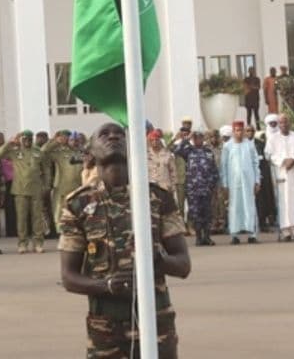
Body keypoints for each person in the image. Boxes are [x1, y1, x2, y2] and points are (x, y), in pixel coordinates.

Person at [59, 122, 191, 357]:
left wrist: (159, 260)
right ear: (91, 151)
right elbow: (69, 277)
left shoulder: (157, 197)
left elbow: (183, 265)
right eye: (104, 134)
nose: (113, 137)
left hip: (156, 321)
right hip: (106, 327)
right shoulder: (78, 204)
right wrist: (107, 286)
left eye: (120, 134)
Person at [0, 130, 51, 254]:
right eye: (25, 139)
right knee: (21, 219)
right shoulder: (15, 151)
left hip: (36, 189)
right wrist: (9, 142)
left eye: (29, 139)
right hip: (20, 189)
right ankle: (22, 243)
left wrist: (47, 186)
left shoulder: (38, 152)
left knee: (37, 218)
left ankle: (38, 243)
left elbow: (46, 170)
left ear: (32, 139)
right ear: (21, 140)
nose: (27, 141)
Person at [266, 114, 294, 241]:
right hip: (281, 173)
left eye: (286, 122)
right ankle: (285, 231)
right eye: (281, 122)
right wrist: (283, 161)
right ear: (279, 124)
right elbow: (269, 154)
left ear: (290, 123)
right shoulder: (273, 138)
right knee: (283, 201)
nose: (284, 125)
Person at [220, 125, 260, 244]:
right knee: (234, 207)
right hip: (233, 183)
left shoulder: (249, 145)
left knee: (250, 206)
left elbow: (255, 163)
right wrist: (225, 184)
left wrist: (257, 181)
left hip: (249, 182)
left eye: (241, 130)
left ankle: (252, 234)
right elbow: (223, 166)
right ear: (233, 132)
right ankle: (234, 235)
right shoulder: (227, 146)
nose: (239, 133)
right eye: (237, 130)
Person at [178, 130, 219, 246]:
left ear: (203, 139)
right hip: (193, 189)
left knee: (207, 213)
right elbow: (177, 150)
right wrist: (186, 139)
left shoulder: (208, 152)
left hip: (206, 188)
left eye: (200, 137)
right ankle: (199, 237)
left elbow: (214, 170)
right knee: (195, 214)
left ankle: (207, 237)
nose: (198, 140)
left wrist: (212, 184)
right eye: (195, 138)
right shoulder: (189, 151)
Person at [44, 130, 82, 236]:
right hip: (62, 186)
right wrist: (55, 141)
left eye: (77, 140)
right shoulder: (60, 153)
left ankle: (76, 230)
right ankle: (60, 232)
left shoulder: (82, 153)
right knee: (59, 210)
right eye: (72, 140)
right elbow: (44, 151)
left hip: (78, 187)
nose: (74, 142)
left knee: (77, 210)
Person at [146, 131, 177, 197]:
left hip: (165, 187)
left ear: (159, 141)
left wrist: (173, 186)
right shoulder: (146, 154)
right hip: (151, 189)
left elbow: (173, 171)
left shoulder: (167, 154)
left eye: (156, 140)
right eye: (152, 140)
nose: (154, 142)